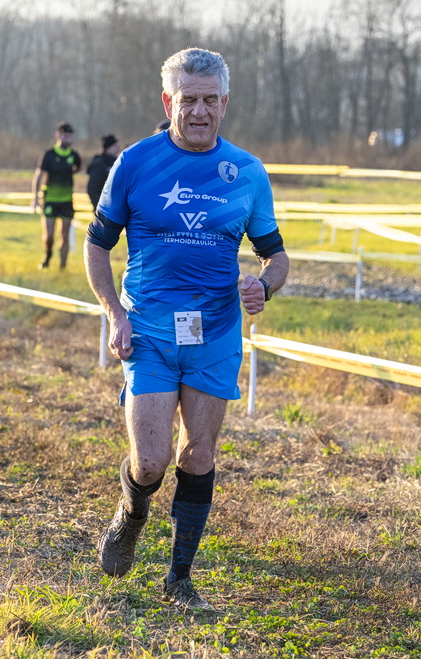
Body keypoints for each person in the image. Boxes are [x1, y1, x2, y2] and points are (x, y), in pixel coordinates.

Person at [86, 47, 289, 610]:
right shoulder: (135, 163)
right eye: (188, 100)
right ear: (167, 101)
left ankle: (179, 579)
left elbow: (276, 255)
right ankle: (131, 513)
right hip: (148, 332)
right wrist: (114, 313)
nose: (199, 111)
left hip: (215, 334)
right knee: (150, 463)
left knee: (197, 456)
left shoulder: (247, 172)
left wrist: (264, 286)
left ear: (225, 103)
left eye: (209, 100)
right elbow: (97, 246)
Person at [32, 122, 81, 270]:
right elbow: (38, 175)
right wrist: (35, 198)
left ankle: (63, 267)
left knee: (64, 236)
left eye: (70, 136)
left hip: (67, 201)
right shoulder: (49, 155)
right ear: (58, 135)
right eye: (65, 136)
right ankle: (47, 255)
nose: (68, 139)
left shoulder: (74, 155)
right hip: (50, 200)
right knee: (49, 236)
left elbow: (77, 168)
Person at [86, 134, 121, 208]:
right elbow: (93, 187)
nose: (118, 149)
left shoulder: (116, 162)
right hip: (103, 206)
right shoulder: (99, 163)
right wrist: (99, 206)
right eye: (116, 146)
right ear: (108, 148)